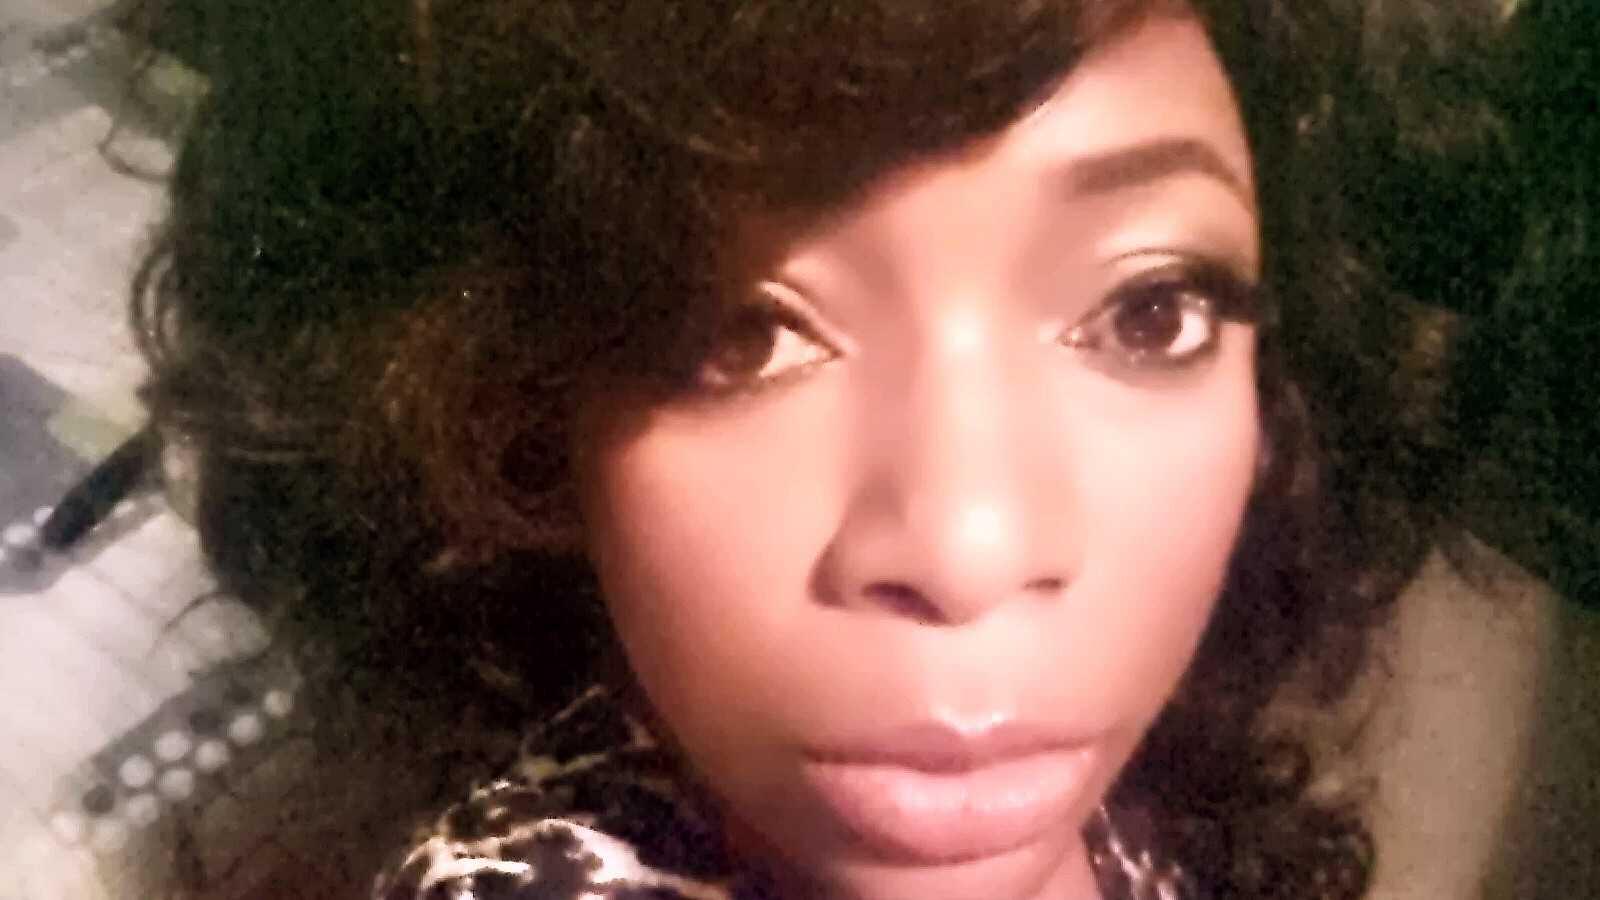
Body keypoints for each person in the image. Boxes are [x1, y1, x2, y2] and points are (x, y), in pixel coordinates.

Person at [131, 0, 1513, 897]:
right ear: (517, 407)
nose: (971, 548)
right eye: (736, 334)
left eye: (1150, 311)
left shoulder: (1173, 795)